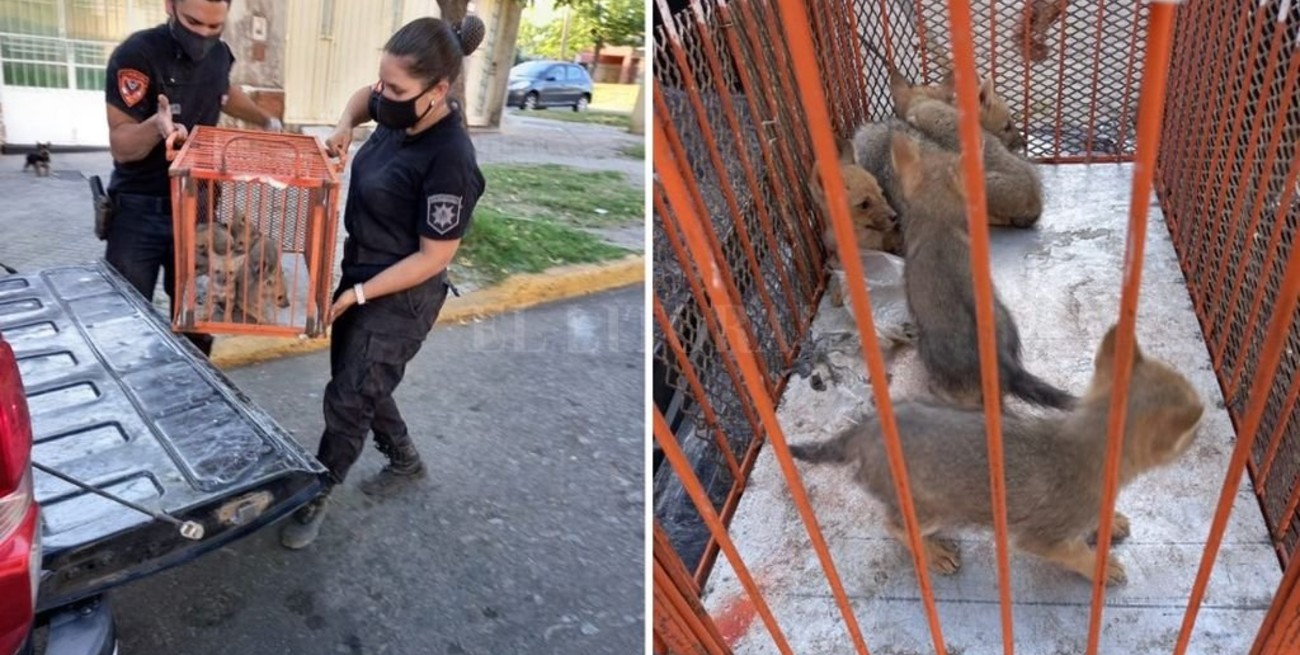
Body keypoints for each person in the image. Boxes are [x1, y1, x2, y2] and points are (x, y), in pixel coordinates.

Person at [280, 15, 488, 549]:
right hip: (362, 270)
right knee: (361, 380)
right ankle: (405, 458)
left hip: (401, 296)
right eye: (383, 82)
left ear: (437, 90)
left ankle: (317, 494)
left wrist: (358, 295)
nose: (383, 95)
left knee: (350, 396)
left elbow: (432, 257)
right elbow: (363, 99)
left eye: (396, 89)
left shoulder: (450, 159)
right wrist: (345, 125)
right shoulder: (398, 109)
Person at [103, 0, 282, 357]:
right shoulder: (137, 55)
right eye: (193, 22)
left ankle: (195, 396)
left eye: (214, 27)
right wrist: (156, 125)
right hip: (141, 212)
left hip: (199, 212)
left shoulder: (219, 54)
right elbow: (121, 146)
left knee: (198, 322)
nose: (203, 34)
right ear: (170, 5)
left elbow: (225, 92)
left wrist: (265, 120)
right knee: (123, 322)